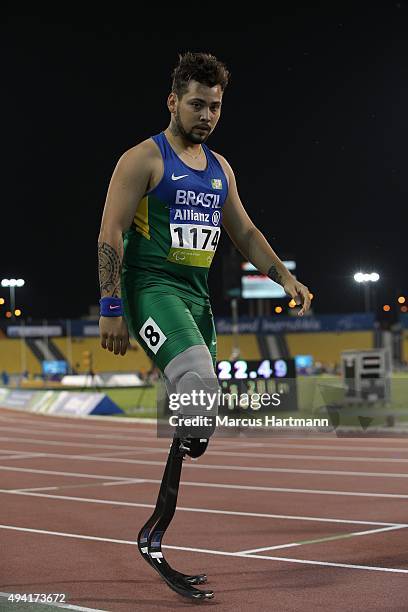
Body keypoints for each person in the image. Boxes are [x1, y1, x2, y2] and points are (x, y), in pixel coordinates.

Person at [98, 51, 311, 600]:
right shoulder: (142, 159)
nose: (207, 115)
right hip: (152, 291)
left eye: (215, 106)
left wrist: (284, 278)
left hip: (197, 302)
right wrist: (111, 306)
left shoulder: (221, 170)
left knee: (198, 424)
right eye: (197, 104)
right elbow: (110, 234)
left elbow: (243, 230)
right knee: (196, 384)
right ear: (173, 101)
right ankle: (153, 533)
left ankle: (154, 530)